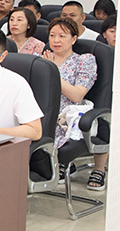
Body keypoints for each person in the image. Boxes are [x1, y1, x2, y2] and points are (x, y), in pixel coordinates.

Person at [42, 17, 103, 189]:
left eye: (62, 36)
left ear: (74, 39)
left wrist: (53, 71)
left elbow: (77, 95)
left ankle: (57, 163)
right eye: (52, 35)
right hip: (42, 111)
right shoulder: (42, 59)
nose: (56, 40)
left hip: (66, 116)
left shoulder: (84, 61)